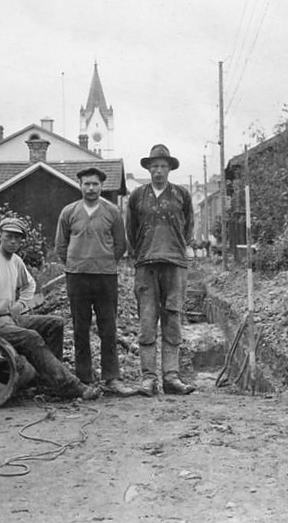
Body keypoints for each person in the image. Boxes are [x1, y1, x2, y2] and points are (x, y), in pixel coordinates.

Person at [0, 217, 100, 401]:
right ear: (0, 235)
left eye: (18, 238)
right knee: (31, 337)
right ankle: (68, 385)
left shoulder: (15, 261)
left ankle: (48, 380)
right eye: (9, 236)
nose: (13, 241)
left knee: (54, 324)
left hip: (7, 317)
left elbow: (29, 285)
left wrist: (21, 305)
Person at [55, 166, 136, 397]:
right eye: (86, 184)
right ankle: (84, 378)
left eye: (95, 184)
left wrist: (104, 262)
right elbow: (61, 245)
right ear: (79, 185)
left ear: (102, 186)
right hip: (77, 277)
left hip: (105, 277)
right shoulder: (69, 212)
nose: (90, 188)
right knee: (80, 328)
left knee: (108, 328)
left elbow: (121, 245)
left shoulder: (111, 212)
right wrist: (76, 262)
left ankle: (111, 378)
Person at [126, 144, 196, 396]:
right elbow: (130, 230)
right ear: (148, 168)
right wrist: (143, 251)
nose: (158, 171)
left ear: (169, 168)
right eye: (154, 166)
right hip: (146, 264)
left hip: (175, 264)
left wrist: (176, 247)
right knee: (147, 321)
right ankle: (148, 378)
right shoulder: (137, 197)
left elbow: (188, 228)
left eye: (162, 166)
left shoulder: (181, 195)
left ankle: (171, 377)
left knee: (172, 318)